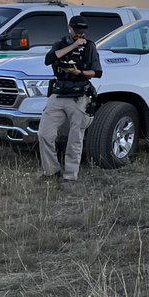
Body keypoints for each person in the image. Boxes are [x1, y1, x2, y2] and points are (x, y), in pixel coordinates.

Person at [38, 16, 103, 183]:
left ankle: (70, 176)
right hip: (59, 93)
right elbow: (49, 59)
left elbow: (97, 72)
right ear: (70, 29)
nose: (79, 34)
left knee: (75, 138)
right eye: (77, 30)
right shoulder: (60, 44)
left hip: (79, 96)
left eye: (82, 31)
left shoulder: (89, 47)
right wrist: (73, 46)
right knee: (45, 134)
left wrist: (79, 72)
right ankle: (51, 171)